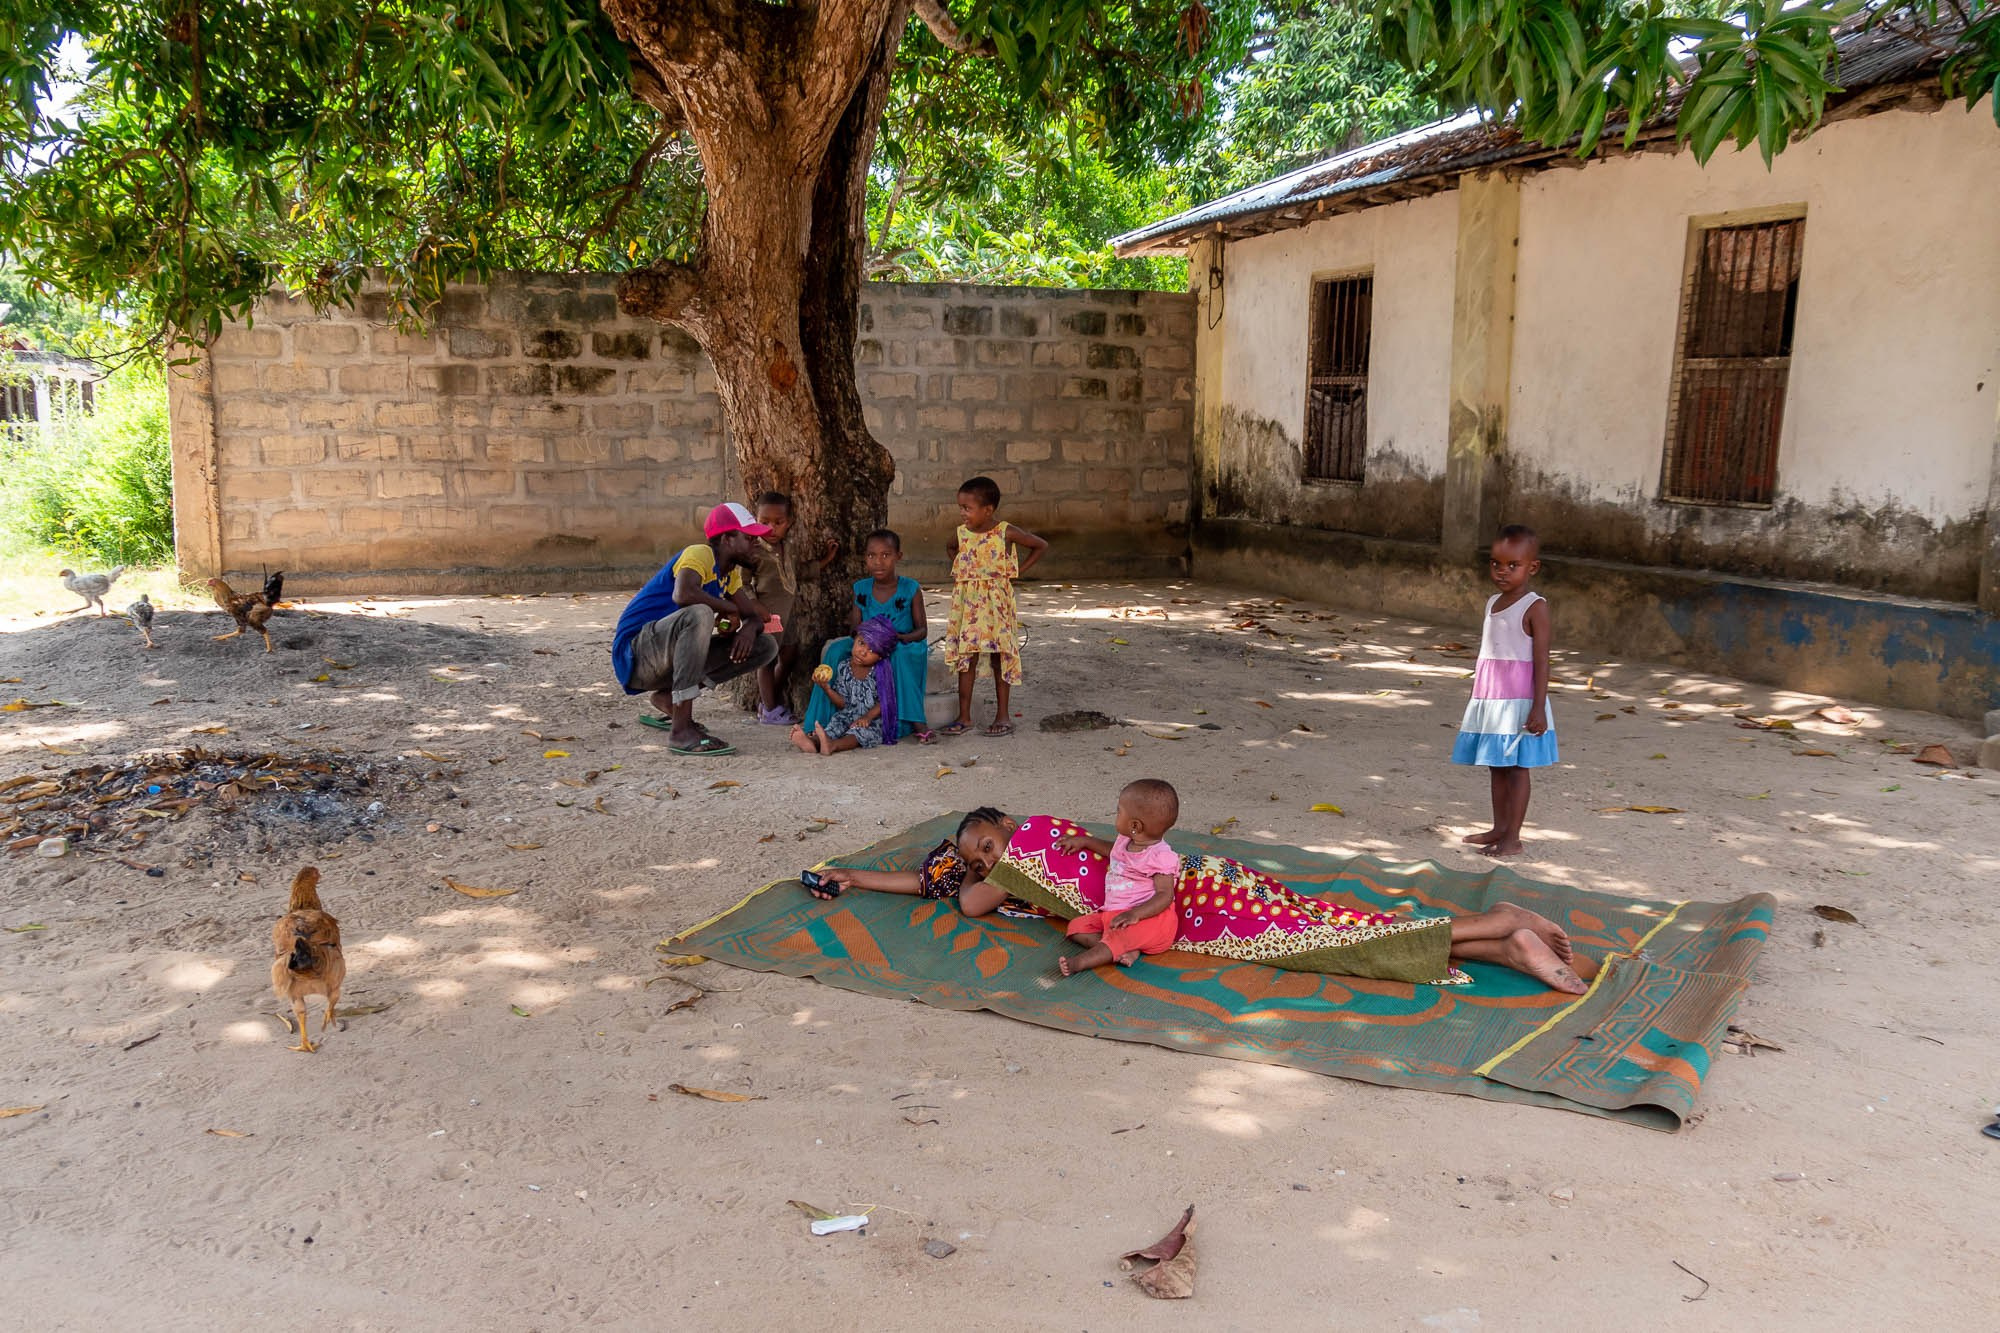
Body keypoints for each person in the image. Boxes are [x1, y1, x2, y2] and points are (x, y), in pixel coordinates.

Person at [811, 805, 1592, 993]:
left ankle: (1497, 919)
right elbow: (933, 885)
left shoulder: (1044, 839)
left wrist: (977, 870)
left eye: (990, 838)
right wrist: (857, 877)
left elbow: (967, 902)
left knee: (1321, 938)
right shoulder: (1028, 857)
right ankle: (1503, 939)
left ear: (1013, 821)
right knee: (1341, 927)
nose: (989, 857)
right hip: (1196, 893)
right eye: (980, 854)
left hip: (1194, 896)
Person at [610, 501, 778, 757]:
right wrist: (729, 610)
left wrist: (748, 627)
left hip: (664, 658)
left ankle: (669, 697)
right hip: (637, 654)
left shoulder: (728, 574)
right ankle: (680, 731)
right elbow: (684, 594)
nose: (757, 543)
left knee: (765, 646)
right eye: (749, 537)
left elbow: (752, 617)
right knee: (699, 613)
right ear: (727, 539)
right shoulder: (700, 554)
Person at [1453, 524, 1559, 858]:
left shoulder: (1534, 607)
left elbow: (1541, 660)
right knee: (1495, 766)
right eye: (1496, 563)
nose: (1502, 571)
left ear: (1532, 567)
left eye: (1512, 565)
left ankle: (1513, 837)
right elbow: (1488, 653)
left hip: (1519, 702)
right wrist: (1476, 694)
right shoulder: (1492, 603)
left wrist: (1538, 707)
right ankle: (1499, 827)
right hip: (1491, 698)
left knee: (1517, 768)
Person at [939, 476, 1047, 738]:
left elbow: (1040, 545)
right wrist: (965, 567)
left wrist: (1013, 571)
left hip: (997, 606)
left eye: (967, 508)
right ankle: (964, 718)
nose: (962, 513)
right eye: (961, 507)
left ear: (988, 510)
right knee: (967, 659)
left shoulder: (1005, 532)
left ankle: (1003, 716)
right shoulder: (961, 533)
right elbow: (950, 547)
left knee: (1000, 657)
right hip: (968, 607)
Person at [800, 529, 929, 741]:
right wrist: (869, 638)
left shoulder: (910, 588)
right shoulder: (861, 588)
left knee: (900, 657)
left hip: (902, 642)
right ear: (865, 558)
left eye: (885, 555)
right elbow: (855, 628)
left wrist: (898, 638)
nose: (878, 562)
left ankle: (914, 720)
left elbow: (922, 631)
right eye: (871, 556)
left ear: (899, 556)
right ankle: (818, 721)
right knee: (835, 650)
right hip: (868, 642)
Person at [1051, 779, 1183, 977]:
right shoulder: (1126, 840)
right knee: (1076, 928)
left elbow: (1165, 895)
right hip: (1115, 915)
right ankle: (1124, 949)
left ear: (1135, 826)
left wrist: (1135, 914)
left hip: (1150, 919)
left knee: (1119, 938)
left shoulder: (1160, 857)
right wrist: (1085, 841)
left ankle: (1079, 963)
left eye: (1119, 811)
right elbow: (1111, 851)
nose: (1117, 814)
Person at [748, 491, 837, 727]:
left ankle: (769, 701)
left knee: (789, 656)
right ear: (755, 520)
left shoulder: (789, 548)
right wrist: (755, 605)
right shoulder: (753, 550)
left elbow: (800, 573)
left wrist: (825, 560)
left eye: (779, 523)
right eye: (764, 522)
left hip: (788, 617)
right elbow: (742, 583)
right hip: (766, 616)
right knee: (765, 660)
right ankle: (769, 710)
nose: (771, 528)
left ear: (789, 523)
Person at [790, 617, 900, 756]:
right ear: (854, 640)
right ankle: (813, 742)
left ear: (880, 656)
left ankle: (833, 746)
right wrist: (826, 688)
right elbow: (843, 703)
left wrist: (867, 717)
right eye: (861, 643)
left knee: (859, 733)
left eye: (872, 650)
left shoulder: (880, 673)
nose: (863, 652)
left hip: (872, 720)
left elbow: (885, 701)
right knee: (834, 725)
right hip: (847, 715)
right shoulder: (844, 667)